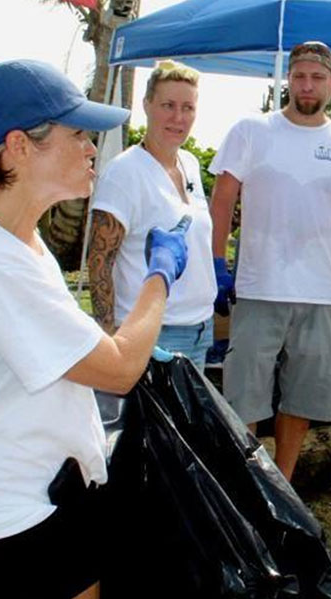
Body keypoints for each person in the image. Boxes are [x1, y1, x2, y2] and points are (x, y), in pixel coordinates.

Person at [0, 60, 190, 599]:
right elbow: (122, 367)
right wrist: (160, 276)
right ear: (18, 147)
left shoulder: (22, 240)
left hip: (59, 492)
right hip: (14, 516)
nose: (91, 146)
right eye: (77, 133)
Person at [208, 41, 331, 480]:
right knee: (245, 397)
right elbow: (223, 197)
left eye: (317, 77)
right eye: (300, 75)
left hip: (318, 294)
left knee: (303, 400)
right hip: (258, 287)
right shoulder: (252, 130)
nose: (307, 85)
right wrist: (217, 262)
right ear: (288, 79)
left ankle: (282, 485)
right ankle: (247, 487)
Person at [88, 60, 215, 369]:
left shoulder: (190, 164)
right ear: (146, 105)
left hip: (199, 330)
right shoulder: (124, 172)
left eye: (188, 108)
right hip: (153, 335)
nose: (178, 117)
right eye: (167, 105)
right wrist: (110, 339)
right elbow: (100, 261)